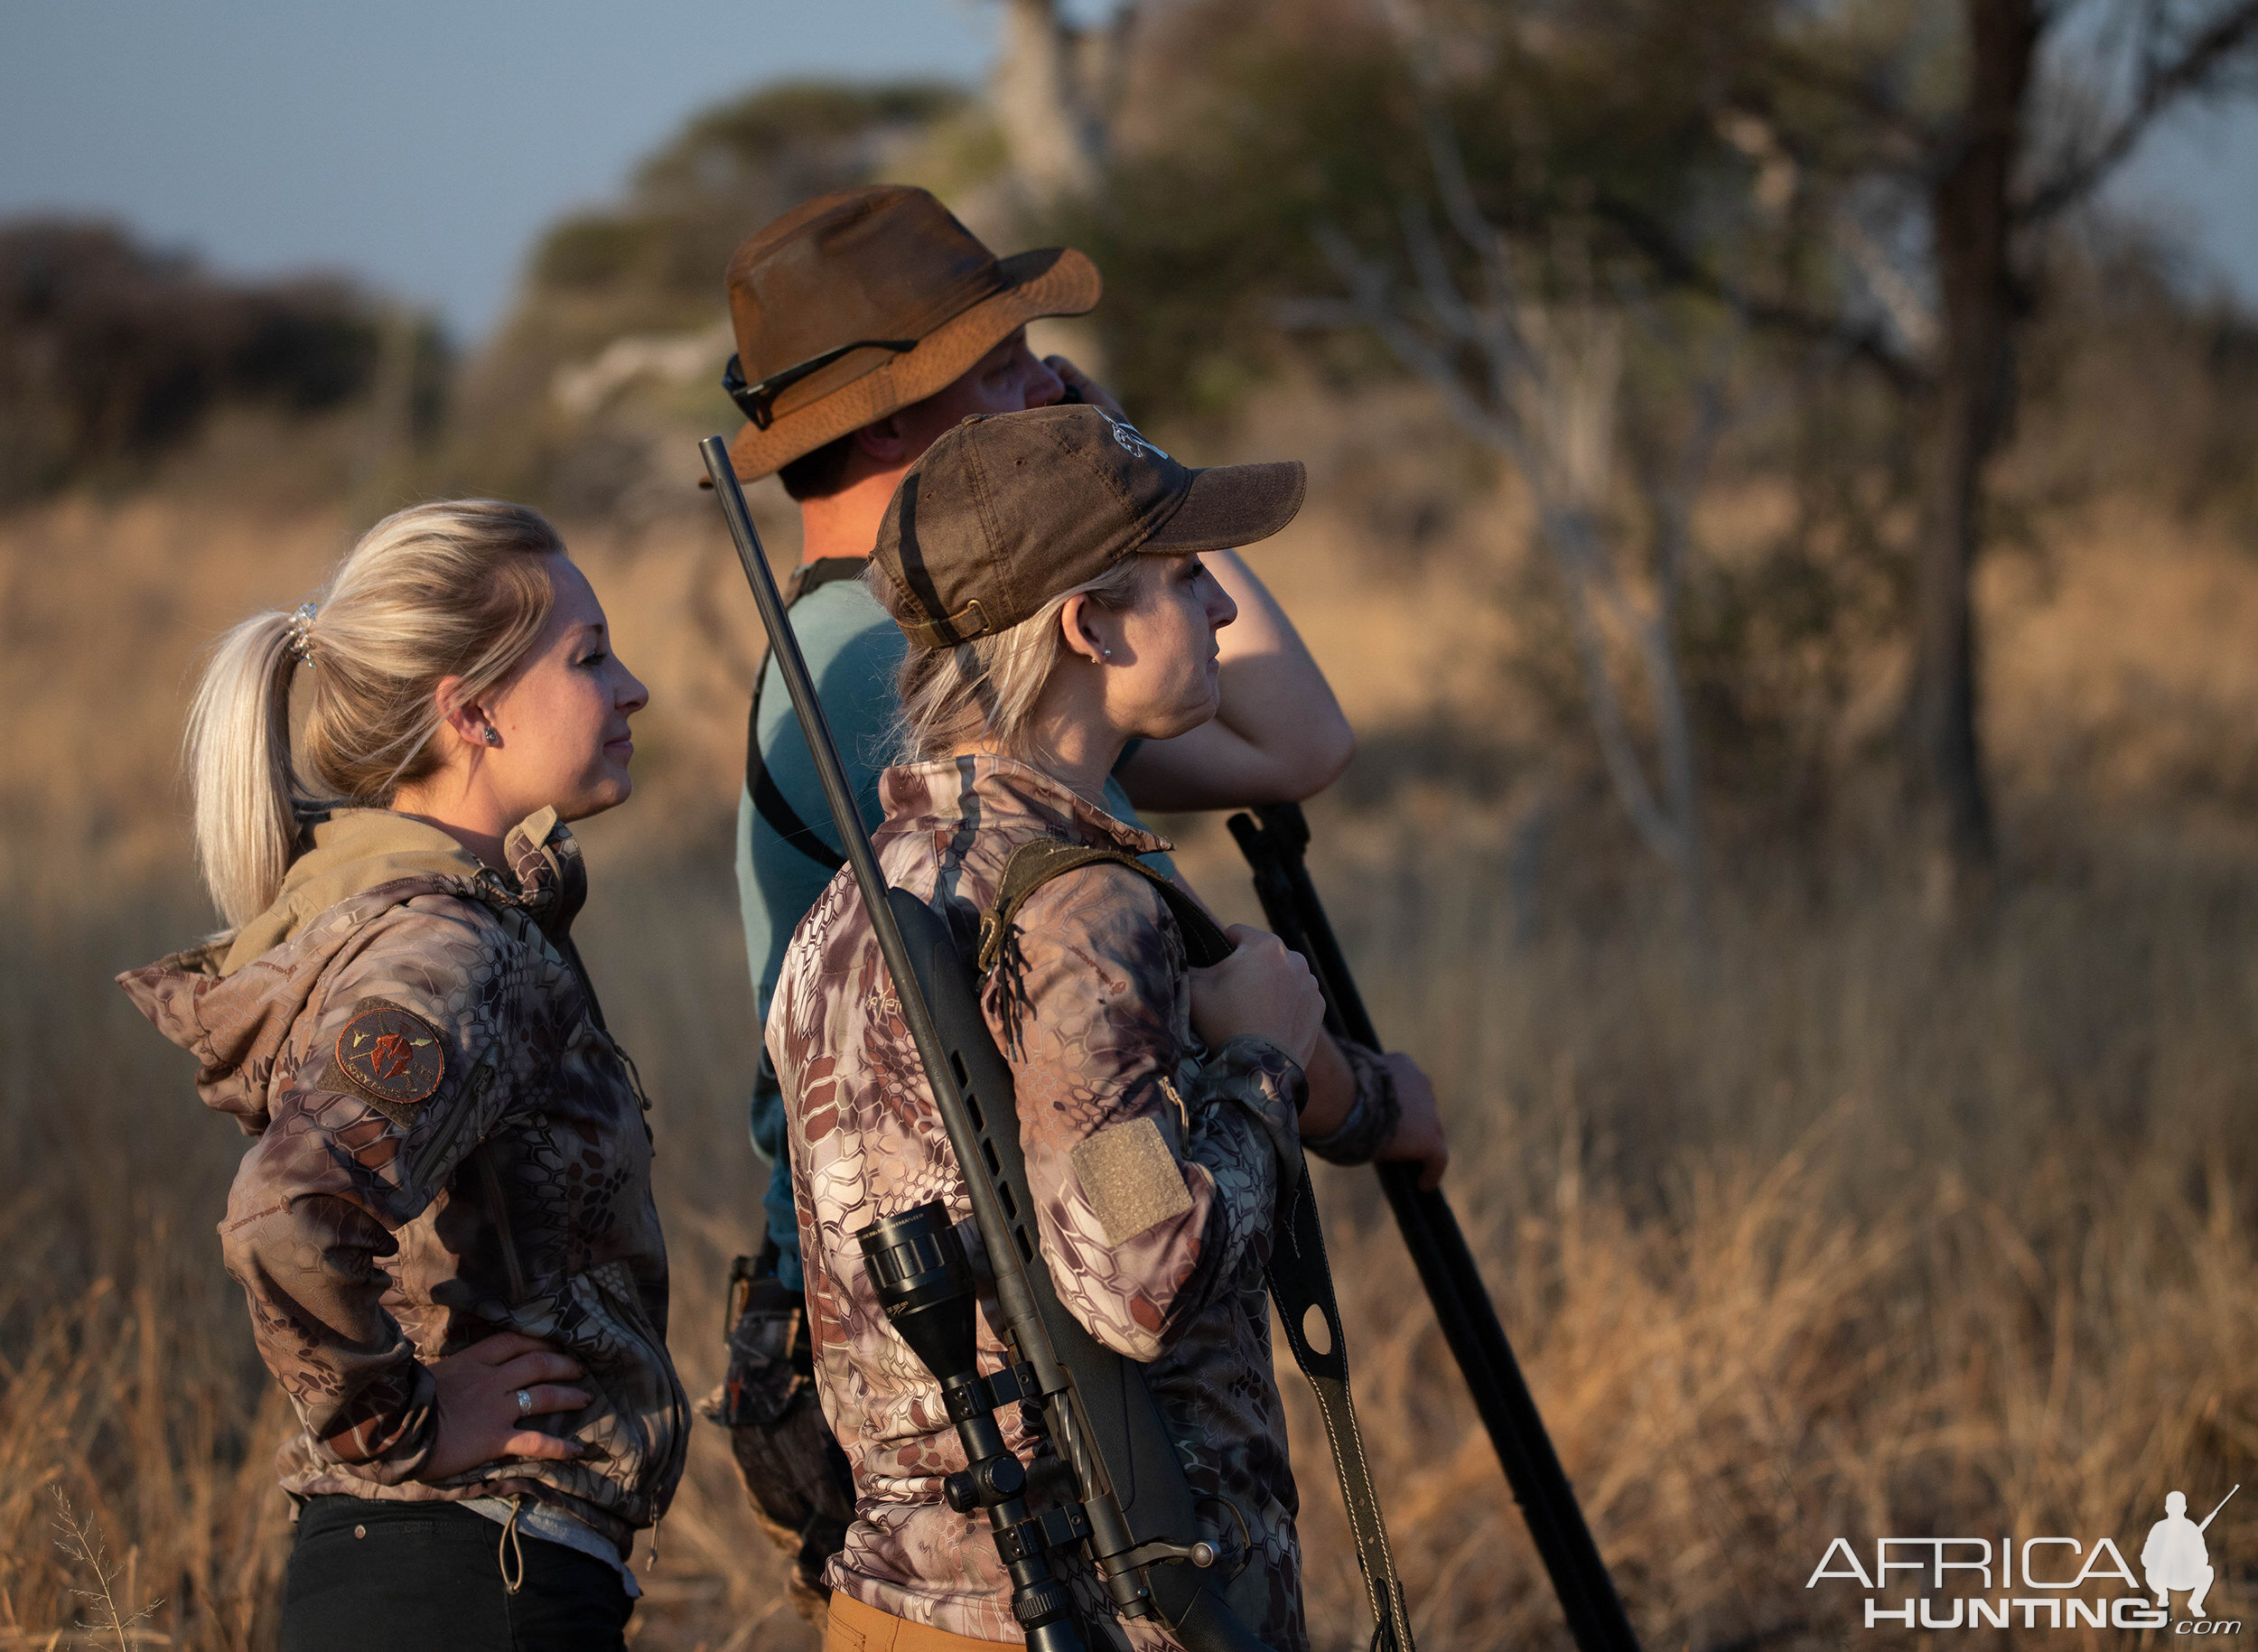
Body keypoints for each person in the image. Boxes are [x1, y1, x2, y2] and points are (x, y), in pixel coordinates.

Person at [710, 183, 1448, 1616]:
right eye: (999, 369)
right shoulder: (1059, 889)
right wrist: (1262, 1065)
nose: (1040, 379)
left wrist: (1102, 465)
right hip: (1068, 1505)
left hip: (940, 1533)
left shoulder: (923, 840)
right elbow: (1120, 1225)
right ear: (1086, 625)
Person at [771, 402, 1341, 1650]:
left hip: (898, 1606)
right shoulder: (1080, 912)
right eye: (1188, 581)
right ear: (1087, 625)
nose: (1225, 614)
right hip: (1092, 1605)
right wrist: (1263, 1062)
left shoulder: (854, 900)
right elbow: (1135, 1265)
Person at [117, 501, 684, 1652]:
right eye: (588, 657)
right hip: (470, 1580)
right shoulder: (446, 946)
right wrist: (404, 1425)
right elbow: (286, 1213)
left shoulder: (433, 918)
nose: (631, 690)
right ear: (470, 711)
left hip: (462, 1574)